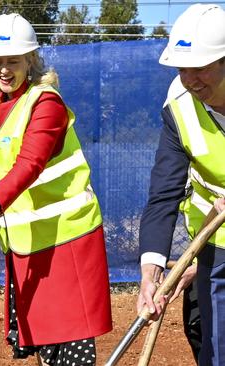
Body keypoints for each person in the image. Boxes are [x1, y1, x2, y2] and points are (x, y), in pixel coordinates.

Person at [0, 14, 112, 365]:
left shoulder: (47, 103)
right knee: (42, 342)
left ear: (31, 60)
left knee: (69, 346)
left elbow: (30, 164)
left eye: (13, 61)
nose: (4, 70)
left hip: (66, 241)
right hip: (27, 243)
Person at [137, 4, 225, 365]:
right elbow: (164, 193)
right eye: (182, 68)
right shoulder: (179, 105)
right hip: (217, 243)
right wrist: (151, 273)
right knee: (216, 347)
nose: (190, 79)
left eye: (200, 67)